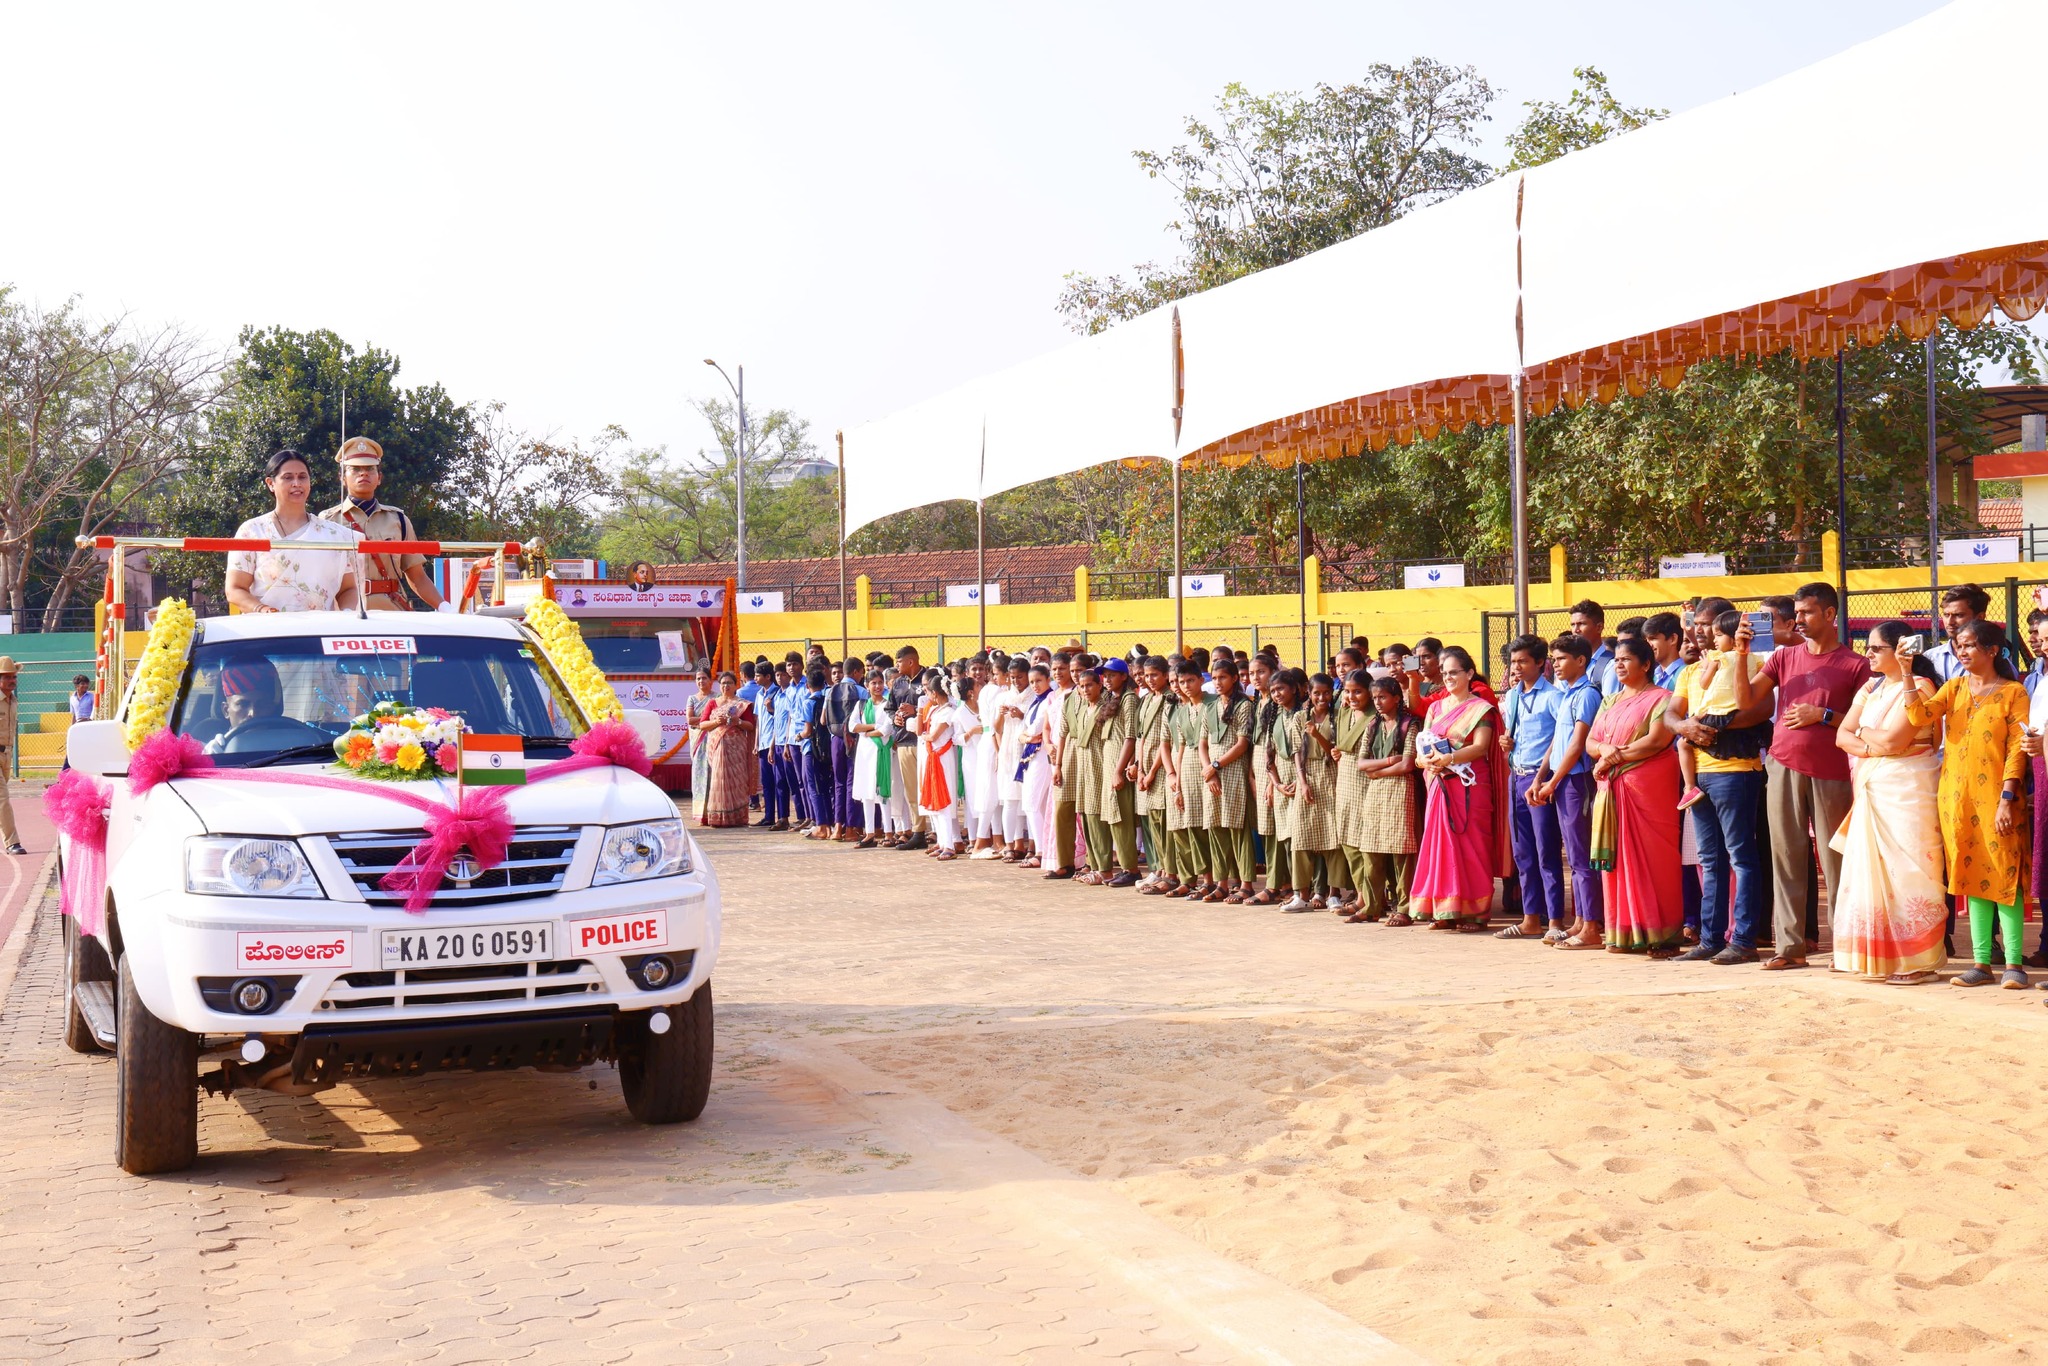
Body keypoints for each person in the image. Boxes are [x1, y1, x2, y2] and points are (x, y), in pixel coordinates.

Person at [1745, 582, 1871, 970]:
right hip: (1781, 765)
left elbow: (1866, 722)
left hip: (1831, 771)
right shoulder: (1783, 658)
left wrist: (1824, 716)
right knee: (1785, 858)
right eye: (1796, 612)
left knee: (1835, 862)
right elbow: (1746, 700)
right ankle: (1790, 948)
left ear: (1830, 614)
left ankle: (1844, 947)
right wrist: (1739, 653)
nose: (1798, 619)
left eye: (1806, 612)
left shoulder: (1856, 664)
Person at [1905, 619, 2032, 989]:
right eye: (1958, 645)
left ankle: (2014, 965)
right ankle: (1981, 964)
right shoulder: (1954, 687)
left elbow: (2017, 750)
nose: (1961, 651)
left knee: (2006, 875)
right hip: (1956, 799)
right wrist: (1905, 671)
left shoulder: (2013, 693)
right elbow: (1918, 716)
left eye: (1969, 645)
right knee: (1971, 877)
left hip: (1998, 799)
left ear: (1992, 650)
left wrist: (2007, 797)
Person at [1831, 623, 1946, 983]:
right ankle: (1877, 957)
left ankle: (1919, 961)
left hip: (1908, 788)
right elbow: (1840, 736)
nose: (1867, 654)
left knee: (1910, 870)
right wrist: (1873, 743)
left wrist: (1864, 735)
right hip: (1875, 784)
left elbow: (1896, 740)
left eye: (1875, 648)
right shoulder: (1871, 687)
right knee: (1870, 869)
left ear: (1900, 651)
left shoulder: (1921, 687)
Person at [1585, 637, 1683, 957]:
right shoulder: (1610, 700)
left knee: (1655, 859)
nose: (1619, 664)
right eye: (1616, 660)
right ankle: (1623, 932)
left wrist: (1610, 758)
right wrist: (1604, 750)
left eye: (1626, 659)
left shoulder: (1662, 699)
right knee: (1618, 860)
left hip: (1648, 787)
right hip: (1613, 788)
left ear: (1646, 664)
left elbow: (1657, 741)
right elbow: (1591, 741)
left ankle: (1661, 934)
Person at [1408, 646, 1502, 930]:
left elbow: (1481, 747)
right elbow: (1424, 742)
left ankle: (1475, 913)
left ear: (1469, 673)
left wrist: (1449, 759)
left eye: (1454, 673)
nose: (1448, 678)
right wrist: (1424, 761)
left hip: (1470, 784)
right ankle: (1444, 910)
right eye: (1445, 673)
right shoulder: (1435, 708)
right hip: (1439, 783)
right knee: (1440, 845)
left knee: (1471, 845)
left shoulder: (1481, 709)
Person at [1531, 634, 1604, 948]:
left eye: (1561, 659)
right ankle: (1579, 920)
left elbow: (1577, 745)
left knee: (1582, 856)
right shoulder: (1566, 694)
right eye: (1554, 659)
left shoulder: (1587, 694)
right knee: (1573, 857)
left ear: (1581, 661)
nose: (1555, 665)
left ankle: (1592, 926)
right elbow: (1556, 742)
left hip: (1577, 780)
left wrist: (1554, 780)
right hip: (1562, 780)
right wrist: (1540, 777)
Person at [317, 437, 444, 611]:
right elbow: (317, 575)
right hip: (345, 612)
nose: (363, 474)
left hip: (390, 610)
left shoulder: (398, 520)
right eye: (355, 469)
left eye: (370, 469)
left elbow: (417, 576)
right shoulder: (328, 521)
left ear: (379, 477)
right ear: (342, 477)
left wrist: (444, 607)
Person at [227, 450, 362, 613]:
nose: (296, 483)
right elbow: (235, 588)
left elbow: (348, 589)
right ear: (270, 483)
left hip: (320, 626)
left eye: (302, 477)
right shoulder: (252, 531)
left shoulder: (333, 535)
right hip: (267, 626)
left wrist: (347, 615)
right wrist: (262, 610)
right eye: (288, 477)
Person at [1499, 634, 1562, 940]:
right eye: (1513, 662)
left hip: (1540, 778)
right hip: (1517, 776)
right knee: (1522, 853)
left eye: (1523, 661)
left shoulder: (1553, 697)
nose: (1517, 667)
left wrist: (1544, 778)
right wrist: (1506, 742)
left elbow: (1559, 739)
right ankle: (1530, 918)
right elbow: (1511, 735)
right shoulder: (1512, 696)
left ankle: (1555, 921)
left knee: (1546, 851)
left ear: (1540, 662)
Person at [1350, 675, 1421, 924]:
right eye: (1375, 698)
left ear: (1396, 698)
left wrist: (1377, 771)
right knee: (1371, 849)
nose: (1378, 702)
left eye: (1383, 697)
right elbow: (1361, 763)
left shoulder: (1410, 724)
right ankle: (1372, 906)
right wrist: (1390, 760)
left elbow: (1408, 764)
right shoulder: (1373, 725)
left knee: (1402, 851)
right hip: (1376, 793)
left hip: (1401, 790)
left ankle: (1404, 908)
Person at [1284, 672, 1347, 912]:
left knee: (1333, 837)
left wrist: (1317, 734)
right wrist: (1302, 782)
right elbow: (1296, 752)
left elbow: (1334, 750)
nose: (1322, 698)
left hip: (1330, 775)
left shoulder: (1337, 717)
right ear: (1308, 694)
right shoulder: (1300, 717)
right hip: (1307, 775)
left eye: (1326, 693)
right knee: (1301, 836)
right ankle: (1301, 894)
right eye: (1317, 693)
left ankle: (1333, 893)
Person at [1198, 655, 1256, 903]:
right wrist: (1208, 771)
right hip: (1212, 774)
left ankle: (1246, 884)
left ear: (1234, 678)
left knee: (1237, 828)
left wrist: (1216, 765)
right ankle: (1221, 883)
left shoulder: (1244, 705)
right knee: (1215, 827)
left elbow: (1242, 744)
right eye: (1215, 677)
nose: (1218, 682)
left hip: (1233, 771)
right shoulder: (1210, 706)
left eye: (1223, 677)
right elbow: (1202, 743)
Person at [1164, 659, 1214, 898]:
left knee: (1205, 827)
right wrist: (1175, 777)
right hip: (1185, 770)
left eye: (1188, 681)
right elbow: (1178, 746)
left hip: (1208, 768)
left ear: (1201, 680)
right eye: (1178, 682)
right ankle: (1191, 879)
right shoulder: (1179, 710)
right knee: (1186, 826)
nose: (1183, 686)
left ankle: (1213, 880)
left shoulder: (1212, 704)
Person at [1135, 656, 1179, 894]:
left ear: (1165, 675)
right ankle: (1160, 868)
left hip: (1161, 768)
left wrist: (1152, 771)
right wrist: (1139, 767)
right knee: (1153, 821)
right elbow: (1141, 736)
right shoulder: (1146, 700)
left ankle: (1171, 873)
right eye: (1146, 675)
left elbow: (1165, 740)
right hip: (1146, 767)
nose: (1149, 679)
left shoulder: (1170, 699)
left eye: (1154, 675)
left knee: (1164, 821)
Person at [1097, 658, 1141, 886]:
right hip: (1109, 764)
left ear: (1124, 676)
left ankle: (1131, 869)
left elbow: (1130, 736)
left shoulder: (1129, 699)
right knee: (1114, 817)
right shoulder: (1111, 698)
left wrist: (1119, 770)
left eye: (1112, 675)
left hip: (1119, 766)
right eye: (1105, 675)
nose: (1107, 679)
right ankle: (1125, 866)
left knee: (1121, 817)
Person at [695, 672, 757, 827]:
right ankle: (718, 817)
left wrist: (738, 721)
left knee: (737, 780)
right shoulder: (713, 703)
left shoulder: (742, 704)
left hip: (736, 748)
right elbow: (702, 724)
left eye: (729, 683)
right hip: (717, 747)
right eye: (723, 683)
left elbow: (750, 726)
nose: (726, 686)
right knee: (719, 780)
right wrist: (716, 721)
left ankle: (737, 818)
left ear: (736, 685)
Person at [916, 669, 963, 859]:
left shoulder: (948, 712)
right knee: (934, 802)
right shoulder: (936, 710)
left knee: (943, 800)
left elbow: (934, 736)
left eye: (928, 692)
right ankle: (942, 842)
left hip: (942, 758)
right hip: (933, 757)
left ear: (935, 693)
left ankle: (950, 845)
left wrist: (924, 736)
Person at [887, 645, 929, 850]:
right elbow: (890, 708)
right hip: (905, 742)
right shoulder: (898, 683)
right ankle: (918, 832)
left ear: (910, 662)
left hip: (927, 741)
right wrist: (894, 718)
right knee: (912, 790)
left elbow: (942, 704)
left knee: (930, 787)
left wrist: (917, 710)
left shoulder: (929, 678)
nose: (896, 665)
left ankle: (943, 833)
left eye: (899, 661)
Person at [0, 658, 23, 855]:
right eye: (7, 677)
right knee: (3, 799)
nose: (12, 680)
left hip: (6, 754)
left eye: (14, 677)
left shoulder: (13, 701)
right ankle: (12, 842)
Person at [1570, 600, 1613, 692]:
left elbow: (1609, 700)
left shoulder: (1610, 665)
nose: (1576, 630)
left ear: (1599, 627)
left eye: (1581, 624)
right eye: (1573, 625)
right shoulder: (1569, 662)